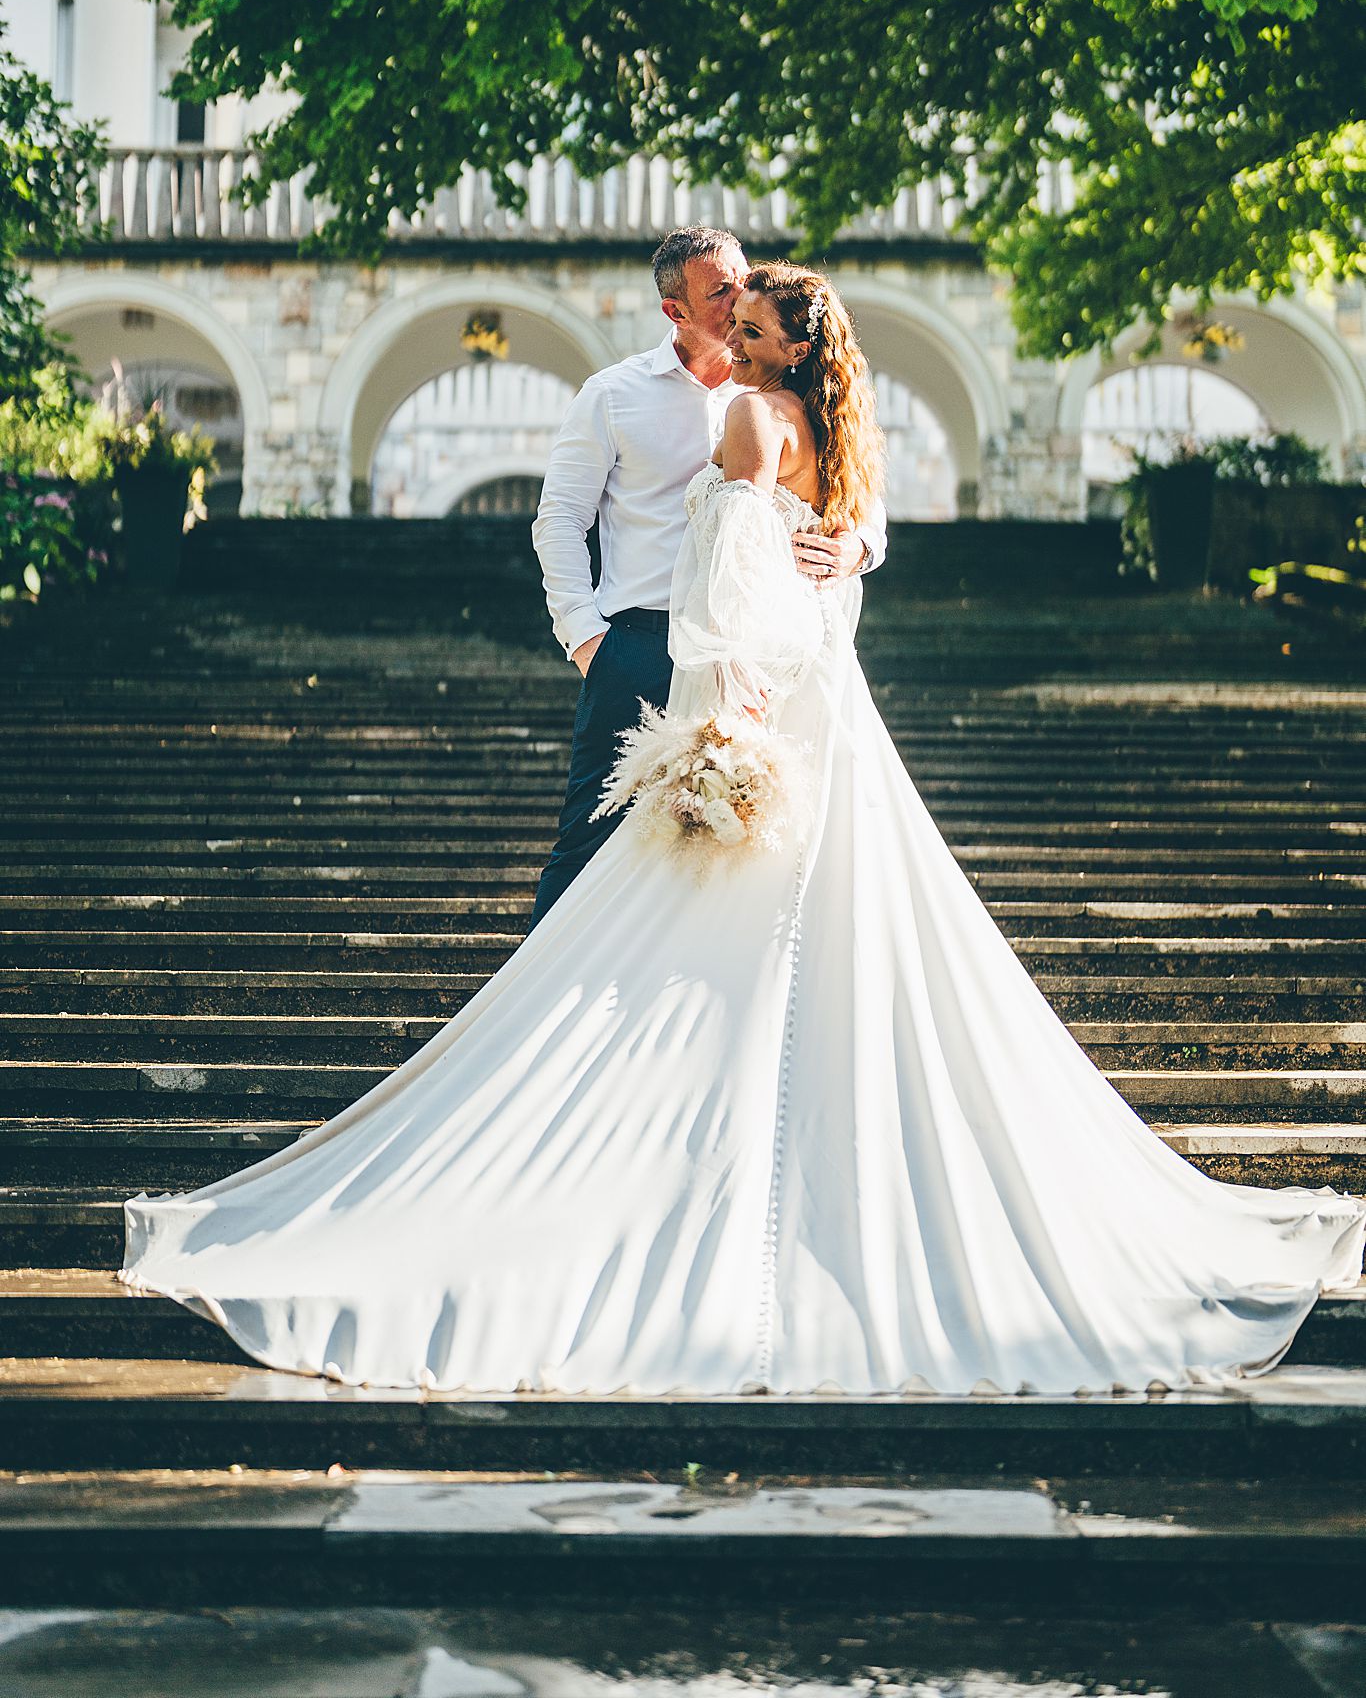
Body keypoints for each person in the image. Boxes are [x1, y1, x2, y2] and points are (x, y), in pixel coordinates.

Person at [117, 263, 1366, 1398]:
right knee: (816, 915)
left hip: (748, 683)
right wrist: (636, 635)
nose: (731, 321)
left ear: (769, 339)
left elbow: (737, 565)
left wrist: (723, 704)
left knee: (708, 914)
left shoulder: (745, 415)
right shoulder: (818, 423)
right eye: (720, 304)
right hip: (814, 691)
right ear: (683, 306)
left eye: (748, 313)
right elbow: (802, 545)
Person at [527, 224, 886, 926]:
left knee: (737, 851)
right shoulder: (613, 395)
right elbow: (560, 521)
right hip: (639, 641)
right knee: (592, 836)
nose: (740, 296)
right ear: (676, 313)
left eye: (744, 278)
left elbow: (860, 502)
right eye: (721, 291)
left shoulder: (787, 392)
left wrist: (859, 549)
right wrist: (587, 640)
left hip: (758, 658)